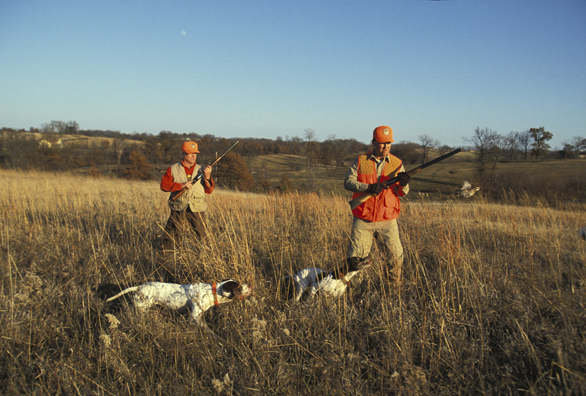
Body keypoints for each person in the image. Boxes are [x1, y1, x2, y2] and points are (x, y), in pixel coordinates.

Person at [344, 126, 411, 285]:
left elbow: (403, 193)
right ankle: (355, 289)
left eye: (389, 143)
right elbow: (348, 182)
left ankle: (393, 290)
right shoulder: (361, 161)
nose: (385, 146)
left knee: (396, 257)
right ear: (373, 142)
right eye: (381, 143)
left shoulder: (397, 163)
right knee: (356, 260)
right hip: (363, 219)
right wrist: (368, 187)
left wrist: (404, 184)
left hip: (387, 220)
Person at [160, 141, 214, 248]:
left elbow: (209, 190)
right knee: (171, 236)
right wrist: (181, 185)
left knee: (203, 237)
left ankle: (205, 258)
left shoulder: (202, 170)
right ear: (183, 153)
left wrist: (207, 177)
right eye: (190, 153)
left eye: (195, 153)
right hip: (179, 207)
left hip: (197, 208)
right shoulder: (173, 169)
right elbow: (164, 185)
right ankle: (167, 257)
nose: (193, 156)